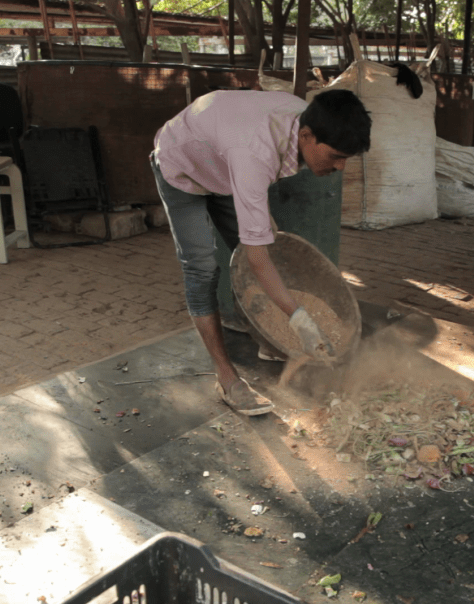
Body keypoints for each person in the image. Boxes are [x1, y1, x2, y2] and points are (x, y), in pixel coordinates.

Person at [150, 88, 372, 417]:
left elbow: (261, 240)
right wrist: (302, 320)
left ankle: (273, 339)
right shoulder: (253, 154)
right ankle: (226, 378)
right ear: (307, 136)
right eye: (336, 156)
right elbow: (256, 259)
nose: (340, 167)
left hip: (223, 166)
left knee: (267, 243)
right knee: (203, 269)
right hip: (181, 168)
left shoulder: (305, 119)